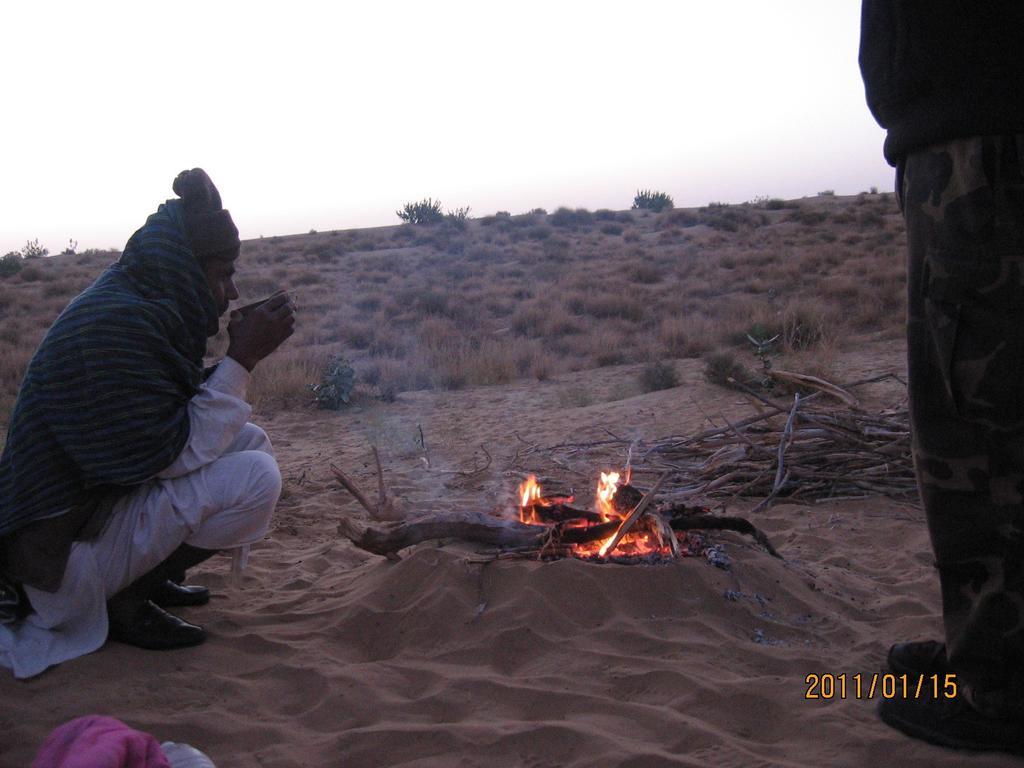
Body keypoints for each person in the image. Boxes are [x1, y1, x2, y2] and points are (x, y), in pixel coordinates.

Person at [0, 168, 295, 678]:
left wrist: (232, 361)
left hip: (89, 517)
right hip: (57, 563)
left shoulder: (140, 304)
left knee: (250, 441)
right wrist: (241, 361)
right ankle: (125, 602)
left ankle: (151, 579)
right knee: (256, 478)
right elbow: (169, 452)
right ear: (185, 268)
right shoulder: (117, 324)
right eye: (222, 273)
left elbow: (162, 423)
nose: (230, 291)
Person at [860, 1, 1024, 754]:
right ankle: (987, 647)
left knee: (977, 438)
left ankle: (997, 687)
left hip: (982, 151)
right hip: (969, 137)